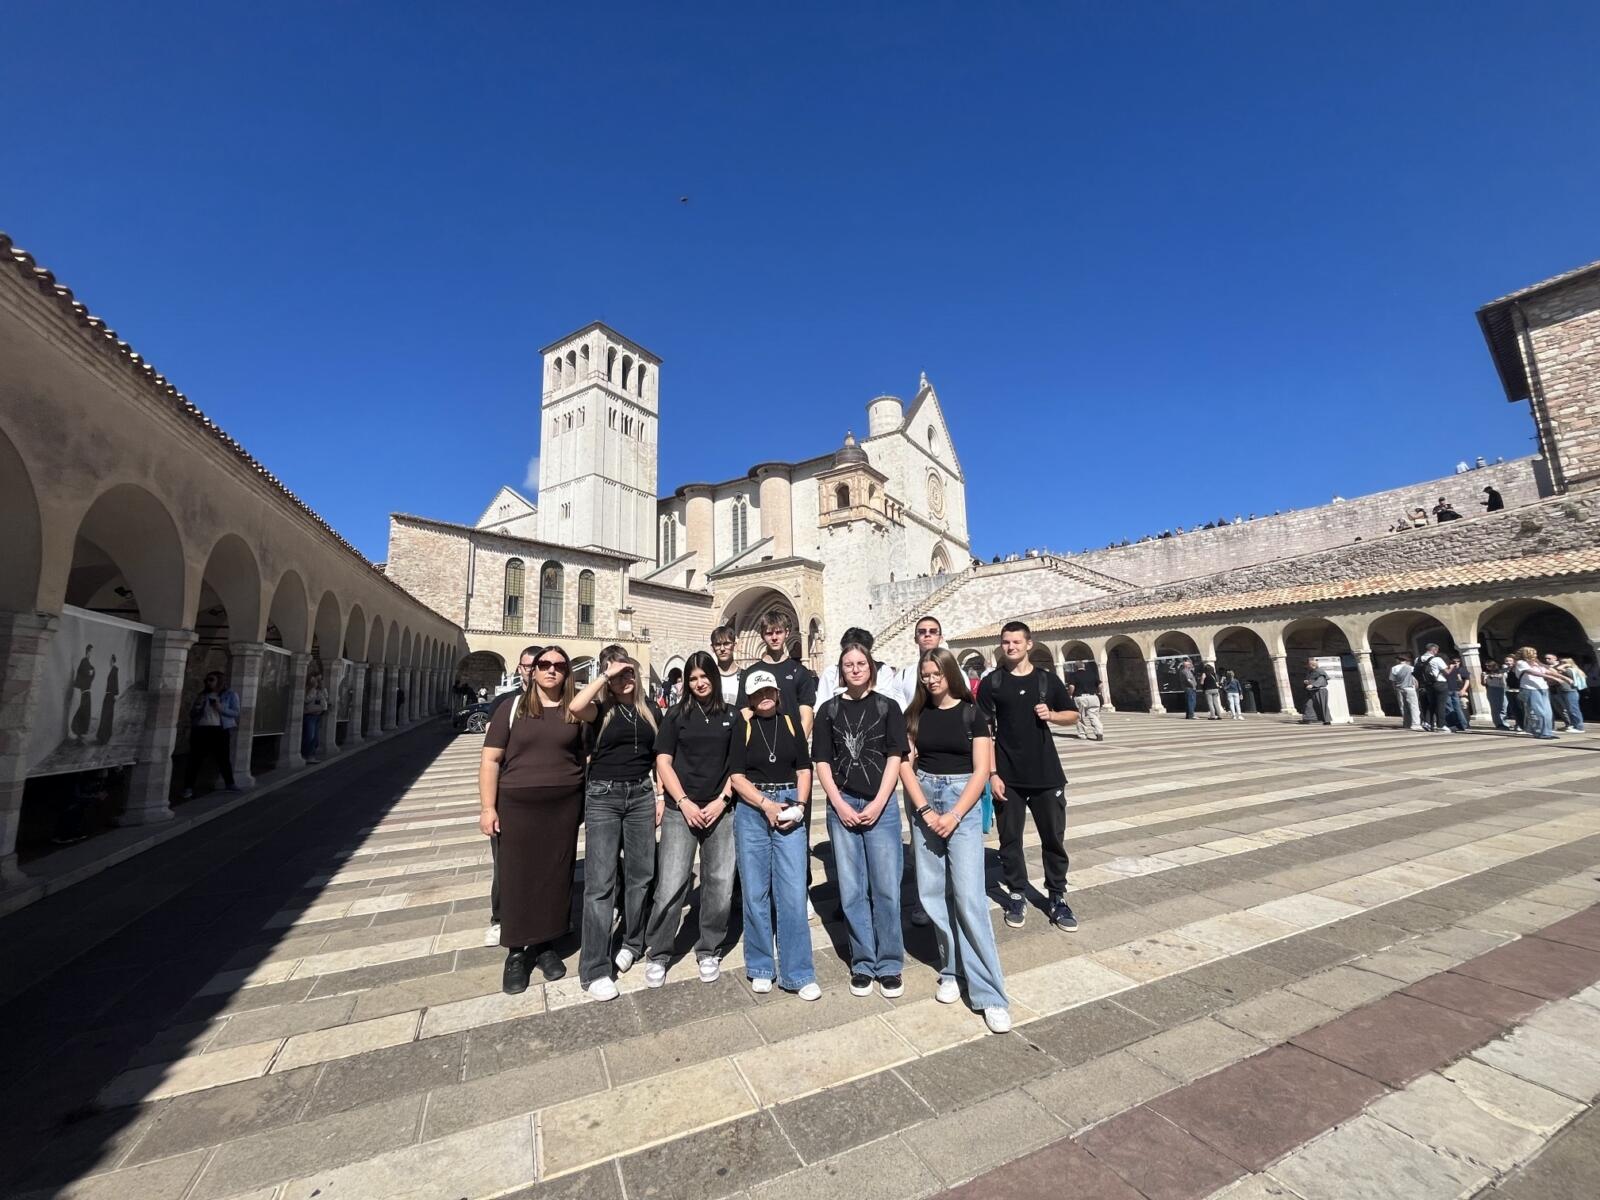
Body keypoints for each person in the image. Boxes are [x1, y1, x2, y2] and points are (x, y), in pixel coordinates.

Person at [901, 648, 1011, 1033]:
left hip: (961, 800)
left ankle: (990, 993)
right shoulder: (915, 715)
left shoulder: (972, 714)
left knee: (968, 896)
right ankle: (951, 969)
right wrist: (925, 810)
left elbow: (981, 770)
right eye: (926, 675)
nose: (931, 680)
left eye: (937, 673)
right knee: (933, 892)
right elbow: (905, 764)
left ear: (950, 673)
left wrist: (955, 814)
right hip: (926, 799)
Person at [480, 644, 595, 994]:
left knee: (554, 875)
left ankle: (545, 945)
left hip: (562, 808)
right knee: (516, 875)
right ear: (533, 670)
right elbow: (490, 760)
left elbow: (584, 757)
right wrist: (488, 807)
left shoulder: (574, 711)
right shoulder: (512, 708)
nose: (551, 670)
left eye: (559, 665)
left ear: (567, 672)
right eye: (544, 664)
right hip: (517, 806)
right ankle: (516, 952)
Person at [814, 641, 909, 995]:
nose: (855, 669)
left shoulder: (888, 707)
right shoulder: (828, 710)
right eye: (848, 665)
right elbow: (822, 760)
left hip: (879, 805)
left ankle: (890, 963)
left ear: (871, 668)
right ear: (841, 671)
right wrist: (838, 803)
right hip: (843, 804)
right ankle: (863, 962)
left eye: (861, 663)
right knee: (852, 888)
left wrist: (880, 802)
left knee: (886, 887)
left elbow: (895, 756)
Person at [977, 621, 1079, 932]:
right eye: (1006, 642)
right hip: (1008, 775)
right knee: (1010, 839)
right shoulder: (992, 682)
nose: (1011, 647)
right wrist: (992, 773)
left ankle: (1057, 896)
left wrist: (1052, 715)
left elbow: (1072, 715)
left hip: (1047, 773)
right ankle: (1017, 893)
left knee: (1053, 838)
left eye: (1016, 642)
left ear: (1028, 644)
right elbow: (984, 731)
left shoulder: (1046, 680)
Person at [644, 650, 738, 986]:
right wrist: (683, 801)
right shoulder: (675, 715)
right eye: (693, 678)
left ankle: (709, 947)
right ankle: (659, 951)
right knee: (671, 883)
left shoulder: (731, 715)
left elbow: (737, 766)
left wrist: (722, 800)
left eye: (704, 676)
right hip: (679, 811)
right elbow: (663, 762)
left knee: (720, 883)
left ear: (714, 677)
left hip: (719, 810)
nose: (699, 683)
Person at [572, 647, 660, 1001]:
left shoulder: (649, 711)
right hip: (604, 796)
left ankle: (632, 942)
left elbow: (659, 757)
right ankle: (594, 968)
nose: (624, 678)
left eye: (628, 672)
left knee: (641, 876)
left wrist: (660, 797)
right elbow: (575, 706)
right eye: (617, 674)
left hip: (641, 794)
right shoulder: (600, 710)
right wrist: (605, 676)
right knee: (600, 883)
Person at [729, 668, 820, 1001]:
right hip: (753, 808)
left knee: (793, 890)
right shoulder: (743, 725)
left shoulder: (791, 723)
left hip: (789, 802)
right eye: (758, 693)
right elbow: (736, 776)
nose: (765, 696)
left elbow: (804, 768)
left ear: (777, 694)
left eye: (769, 691)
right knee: (755, 891)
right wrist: (766, 804)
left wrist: (800, 805)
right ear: (751, 699)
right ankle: (761, 966)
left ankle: (798, 972)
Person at [483, 645, 542, 948]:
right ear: (520, 669)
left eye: (537, 665)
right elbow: (489, 758)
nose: (532, 671)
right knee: (505, 863)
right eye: (527, 666)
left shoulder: (559, 704)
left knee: (545, 862)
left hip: (546, 798)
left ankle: (543, 920)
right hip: (510, 796)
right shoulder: (504, 704)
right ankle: (500, 918)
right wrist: (488, 806)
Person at [182, 671, 240, 798]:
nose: (208, 682)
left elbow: (236, 712)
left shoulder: (230, 694)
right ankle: (188, 787)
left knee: (223, 758)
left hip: (219, 730)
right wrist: (198, 705)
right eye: (206, 680)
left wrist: (220, 708)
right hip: (201, 729)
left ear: (219, 680)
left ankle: (230, 783)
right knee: (195, 759)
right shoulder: (202, 695)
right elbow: (192, 714)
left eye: (211, 680)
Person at [1513, 647, 1558, 740]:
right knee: (1539, 712)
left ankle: (1547, 732)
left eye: (1535, 653)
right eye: (1533, 653)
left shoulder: (1536, 663)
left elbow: (1549, 670)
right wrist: (1553, 678)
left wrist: (1563, 677)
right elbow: (1532, 672)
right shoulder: (1521, 663)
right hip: (1530, 689)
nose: (1535, 655)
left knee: (1548, 712)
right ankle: (1540, 732)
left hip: (1543, 688)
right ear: (1526, 654)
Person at [1415, 643, 1451, 733]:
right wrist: (1452, 667)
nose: (1437, 652)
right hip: (1439, 683)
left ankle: (1427, 723)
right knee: (1441, 705)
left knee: (1431, 704)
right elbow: (1447, 672)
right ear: (1434, 650)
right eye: (1436, 651)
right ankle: (1441, 725)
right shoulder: (1437, 659)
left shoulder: (1417, 659)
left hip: (1427, 684)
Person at [1066, 659, 1105, 741]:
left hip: (1080, 698)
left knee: (1079, 716)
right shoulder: (1091, 674)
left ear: (1075, 667)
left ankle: (1083, 734)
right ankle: (1099, 732)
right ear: (1083, 666)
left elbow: (1072, 687)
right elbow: (1101, 684)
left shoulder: (1073, 675)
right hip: (1093, 697)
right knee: (1094, 716)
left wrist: (1069, 694)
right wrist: (1098, 692)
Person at [1545, 654, 1585, 732]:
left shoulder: (1569, 670)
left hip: (1569, 691)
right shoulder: (1566, 670)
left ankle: (1579, 727)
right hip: (1564, 691)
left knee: (1573, 709)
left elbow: (1559, 669)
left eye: (1562, 662)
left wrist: (1566, 665)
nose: (1560, 663)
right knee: (1569, 709)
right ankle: (1573, 725)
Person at [69, 644, 96, 742]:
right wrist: (90, 672)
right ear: (88, 651)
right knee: (84, 710)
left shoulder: (88, 662)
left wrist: (92, 671)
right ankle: (77, 729)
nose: (91, 653)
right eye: (91, 651)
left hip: (87, 690)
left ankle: (81, 731)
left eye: (92, 652)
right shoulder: (84, 661)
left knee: (86, 711)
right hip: (84, 691)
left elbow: (91, 673)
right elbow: (84, 673)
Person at [711, 624, 742, 705]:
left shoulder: (744, 676)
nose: (722, 649)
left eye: (726, 644)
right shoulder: (709, 677)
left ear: (735, 646)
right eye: (718, 645)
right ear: (712, 648)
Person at [1389, 653, 1422, 731]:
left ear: (1398, 660)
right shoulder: (1411, 668)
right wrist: (1416, 688)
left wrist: (1395, 689)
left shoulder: (1394, 668)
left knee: (1403, 706)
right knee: (1414, 706)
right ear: (1406, 660)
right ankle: (1415, 724)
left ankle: (1406, 723)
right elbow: (1415, 680)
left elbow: (1393, 681)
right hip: (1410, 688)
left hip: (1399, 688)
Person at [302, 672, 329, 762]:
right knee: (309, 736)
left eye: (321, 679)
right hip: (310, 715)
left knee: (315, 738)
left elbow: (325, 699)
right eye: (318, 679)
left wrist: (323, 689)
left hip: (317, 716)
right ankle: (306, 755)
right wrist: (313, 688)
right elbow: (306, 700)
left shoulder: (321, 690)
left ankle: (311, 756)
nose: (319, 681)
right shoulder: (310, 689)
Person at [95, 654, 120, 744]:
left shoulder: (114, 670)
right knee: (106, 715)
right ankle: (104, 736)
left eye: (110, 660)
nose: (109, 662)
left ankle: (104, 736)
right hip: (109, 695)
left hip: (110, 696)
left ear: (113, 661)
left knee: (106, 715)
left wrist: (114, 695)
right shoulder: (112, 669)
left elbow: (116, 683)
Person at [1443, 656, 1471, 732]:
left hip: (1454, 690)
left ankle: (1458, 725)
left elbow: (1466, 680)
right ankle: (1462, 725)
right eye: (1454, 662)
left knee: (1454, 708)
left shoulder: (1458, 669)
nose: (1456, 663)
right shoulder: (1455, 669)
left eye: (1458, 661)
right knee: (1456, 708)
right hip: (1454, 690)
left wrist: (1463, 689)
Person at [1300, 658, 1331, 725]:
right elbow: (1311, 679)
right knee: (1308, 704)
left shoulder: (1320, 671)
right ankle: (1308, 719)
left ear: (1312, 665)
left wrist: (1313, 685)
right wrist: (1307, 682)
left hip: (1320, 691)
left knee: (1322, 705)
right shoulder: (1310, 671)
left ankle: (1327, 721)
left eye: (1308, 665)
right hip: (1311, 691)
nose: (1307, 666)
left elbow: (1321, 679)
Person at [1481, 657, 1508, 730]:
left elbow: (1506, 671)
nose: (1487, 667)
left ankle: (1504, 722)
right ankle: (1499, 723)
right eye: (1486, 666)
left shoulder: (1501, 672)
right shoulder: (1485, 673)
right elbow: (1483, 684)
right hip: (1492, 689)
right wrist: (1484, 678)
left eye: (1489, 666)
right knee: (1495, 708)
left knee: (1504, 706)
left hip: (1502, 689)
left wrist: (1500, 675)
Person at [1501, 654, 1524, 733]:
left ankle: (1523, 725)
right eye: (1506, 661)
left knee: (1520, 709)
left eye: (1510, 661)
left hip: (1518, 690)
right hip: (1509, 691)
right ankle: (1519, 724)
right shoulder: (1505, 670)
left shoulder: (1517, 669)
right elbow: (1503, 681)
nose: (1508, 662)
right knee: (1514, 709)